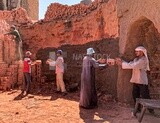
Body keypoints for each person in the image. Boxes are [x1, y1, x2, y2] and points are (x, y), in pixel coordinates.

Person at [116, 46, 154, 113]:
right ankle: (138, 109)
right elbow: (131, 63)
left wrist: (121, 63)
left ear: (142, 52)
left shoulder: (143, 60)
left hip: (142, 81)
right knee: (135, 95)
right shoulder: (137, 59)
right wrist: (122, 61)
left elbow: (134, 65)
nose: (136, 53)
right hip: (136, 80)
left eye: (137, 51)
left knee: (145, 96)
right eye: (136, 51)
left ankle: (151, 110)